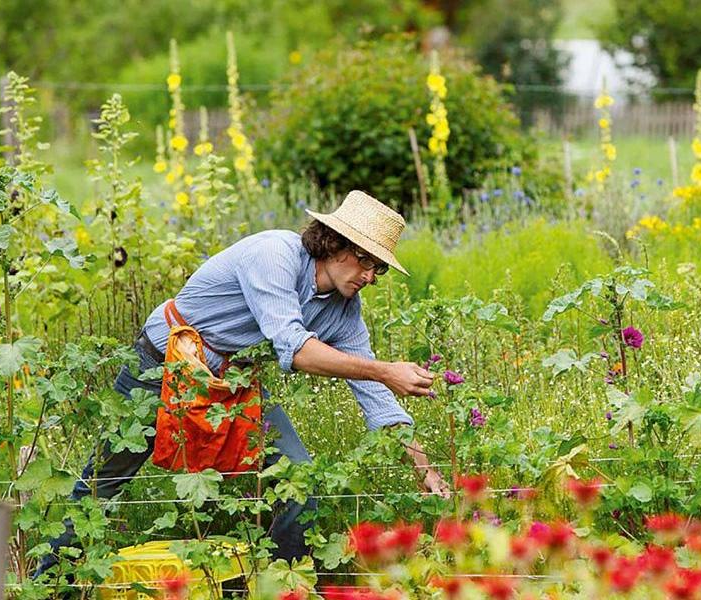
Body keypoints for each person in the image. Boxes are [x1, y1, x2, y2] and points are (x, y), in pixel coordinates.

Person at [36, 189, 449, 577]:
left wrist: (424, 467)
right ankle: (45, 584)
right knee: (103, 483)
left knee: (297, 485)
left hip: (233, 385)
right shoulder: (274, 254)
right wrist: (386, 370)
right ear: (336, 243)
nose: (371, 276)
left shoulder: (344, 310)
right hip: (162, 367)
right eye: (366, 261)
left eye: (378, 268)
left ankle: (284, 587)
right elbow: (298, 350)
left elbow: (376, 395)